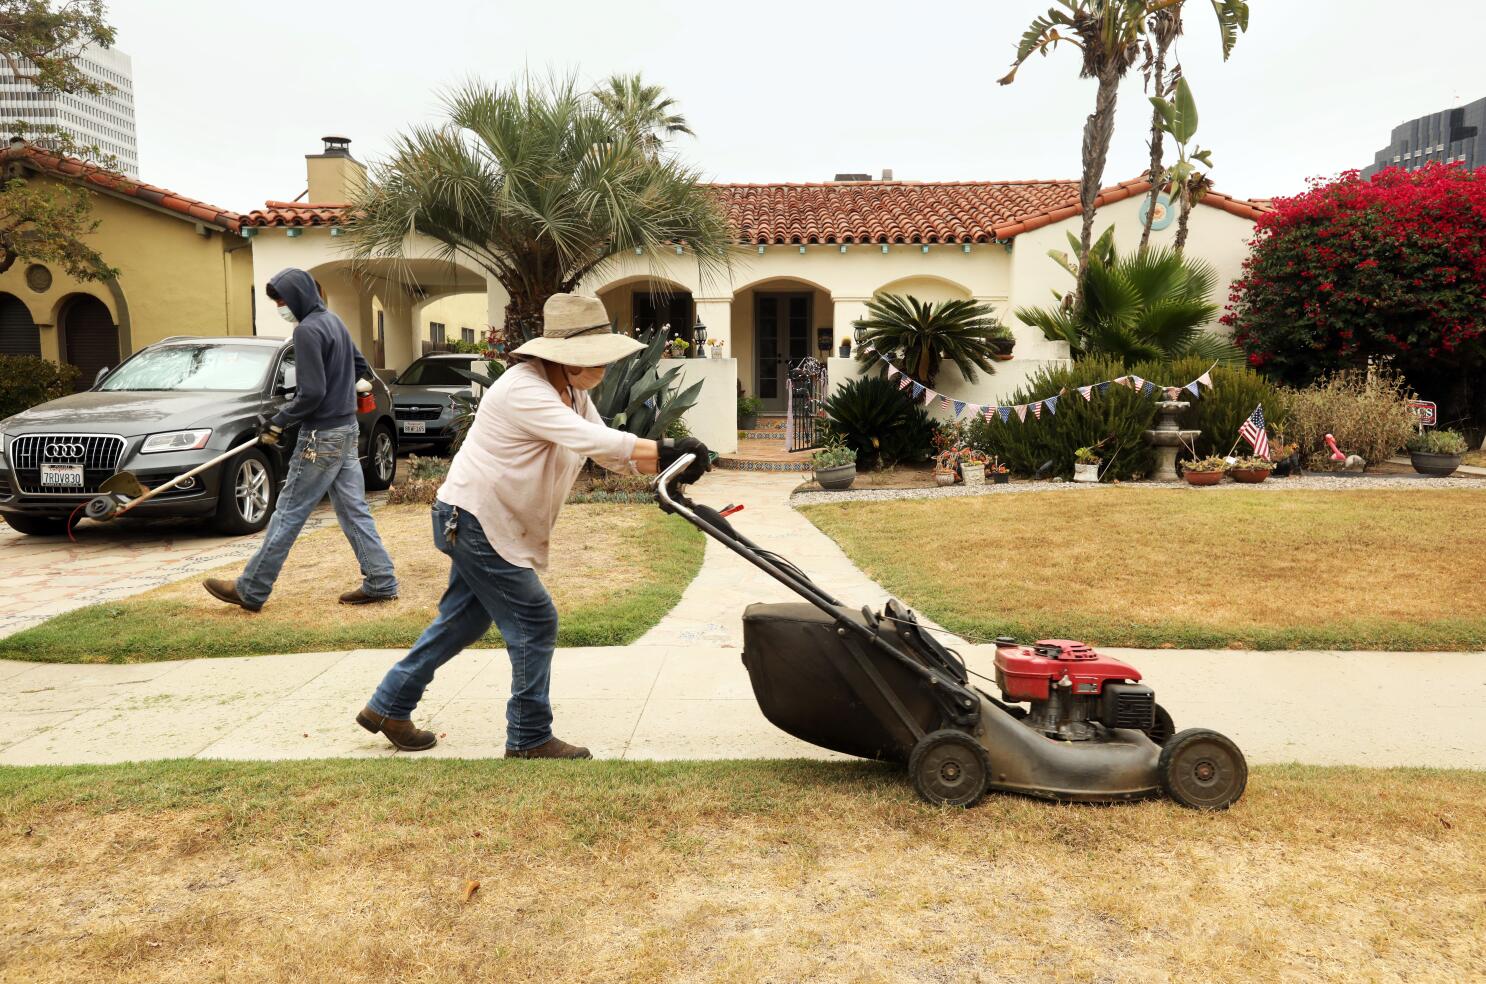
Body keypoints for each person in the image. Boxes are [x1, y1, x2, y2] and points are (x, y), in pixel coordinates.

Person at [357, 293, 709, 758]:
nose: (602, 366)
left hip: (484, 518)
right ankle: (528, 737)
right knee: (535, 618)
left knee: (461, 622)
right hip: (476, 519)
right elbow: (589, 438)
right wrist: (665, 447)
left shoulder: (573, 393)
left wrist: (671, 466)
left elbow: (606, 452)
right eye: (592, 357)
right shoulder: (524, 388)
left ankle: (388, 705)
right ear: (559, 356)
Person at [203, 267, 399, 612]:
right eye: (276, 300)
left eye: (281, 298)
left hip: (320, 437)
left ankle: (252, 588)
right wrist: (343, 395)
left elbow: (311, 393)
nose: (280, 305)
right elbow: (360, 367)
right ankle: (381, 581)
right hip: (346, 431)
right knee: (354, 511)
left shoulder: (307, 331)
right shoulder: (334, 321)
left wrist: (278, 421)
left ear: (298, 295)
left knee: (288, 513)